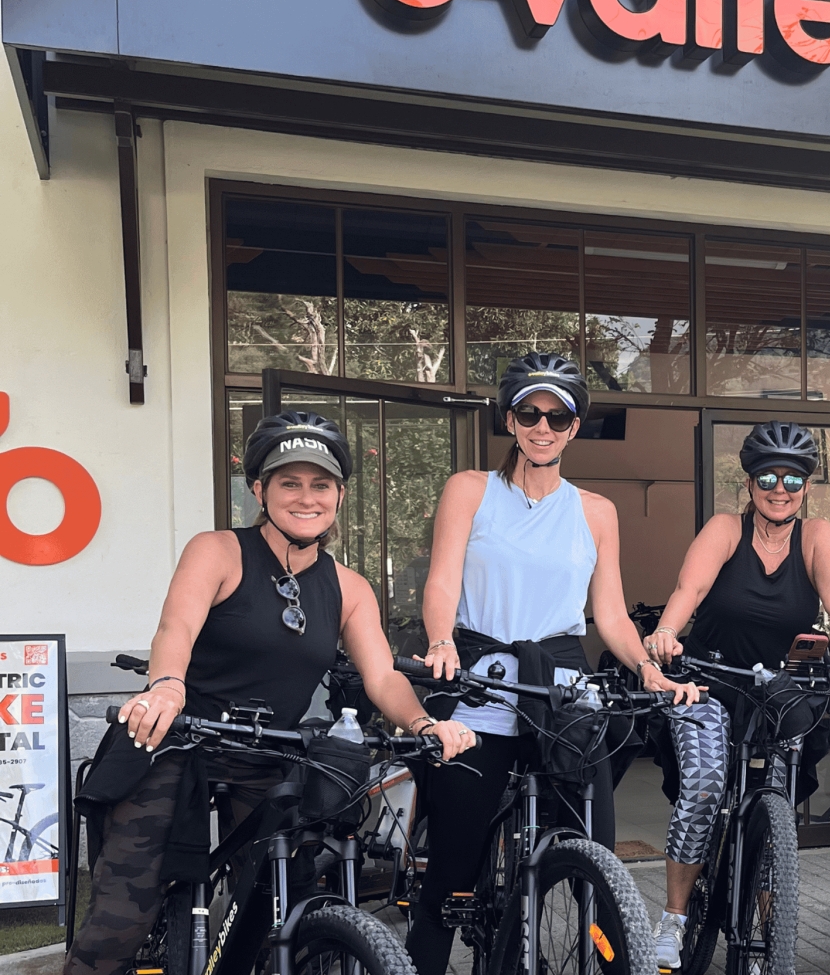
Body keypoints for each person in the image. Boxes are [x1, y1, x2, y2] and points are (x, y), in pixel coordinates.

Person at [66, 411, 471, 975]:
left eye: (321, 484)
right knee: (122, 915)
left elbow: (382, 677)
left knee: (286, 907)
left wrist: (424, 723)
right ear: (259, 490)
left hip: (267, 751)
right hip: (177, 738)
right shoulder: (218, 550)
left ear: (339, 495)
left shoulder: (350, 588)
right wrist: (167, 687)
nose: (306, 497)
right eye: (289, 482)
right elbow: (175, 629)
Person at [412, 352, 700, 975]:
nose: (542, 427)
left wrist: (647, 668)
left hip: (565, 694)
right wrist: (439, 641)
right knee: (451, 868)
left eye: (557, 416)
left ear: (573, 428)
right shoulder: (470, 490)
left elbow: (611, 614)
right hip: (482, 683)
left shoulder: (596, 510)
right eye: (529, 413)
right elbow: (442, 581)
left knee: (596, 861)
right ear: (509, 421)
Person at [639, 419, 830, 971]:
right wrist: (666, 630)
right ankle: (674, 916)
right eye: (767, 478)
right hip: (709, 682)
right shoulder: (725, 529)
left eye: (792, 479)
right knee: (705, 787)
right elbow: (691, 587)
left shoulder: (817, 536)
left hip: (781, 692)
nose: (779, 489)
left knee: (775, 802)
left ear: (806, 486)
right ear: (749, 483)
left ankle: (770, 932)